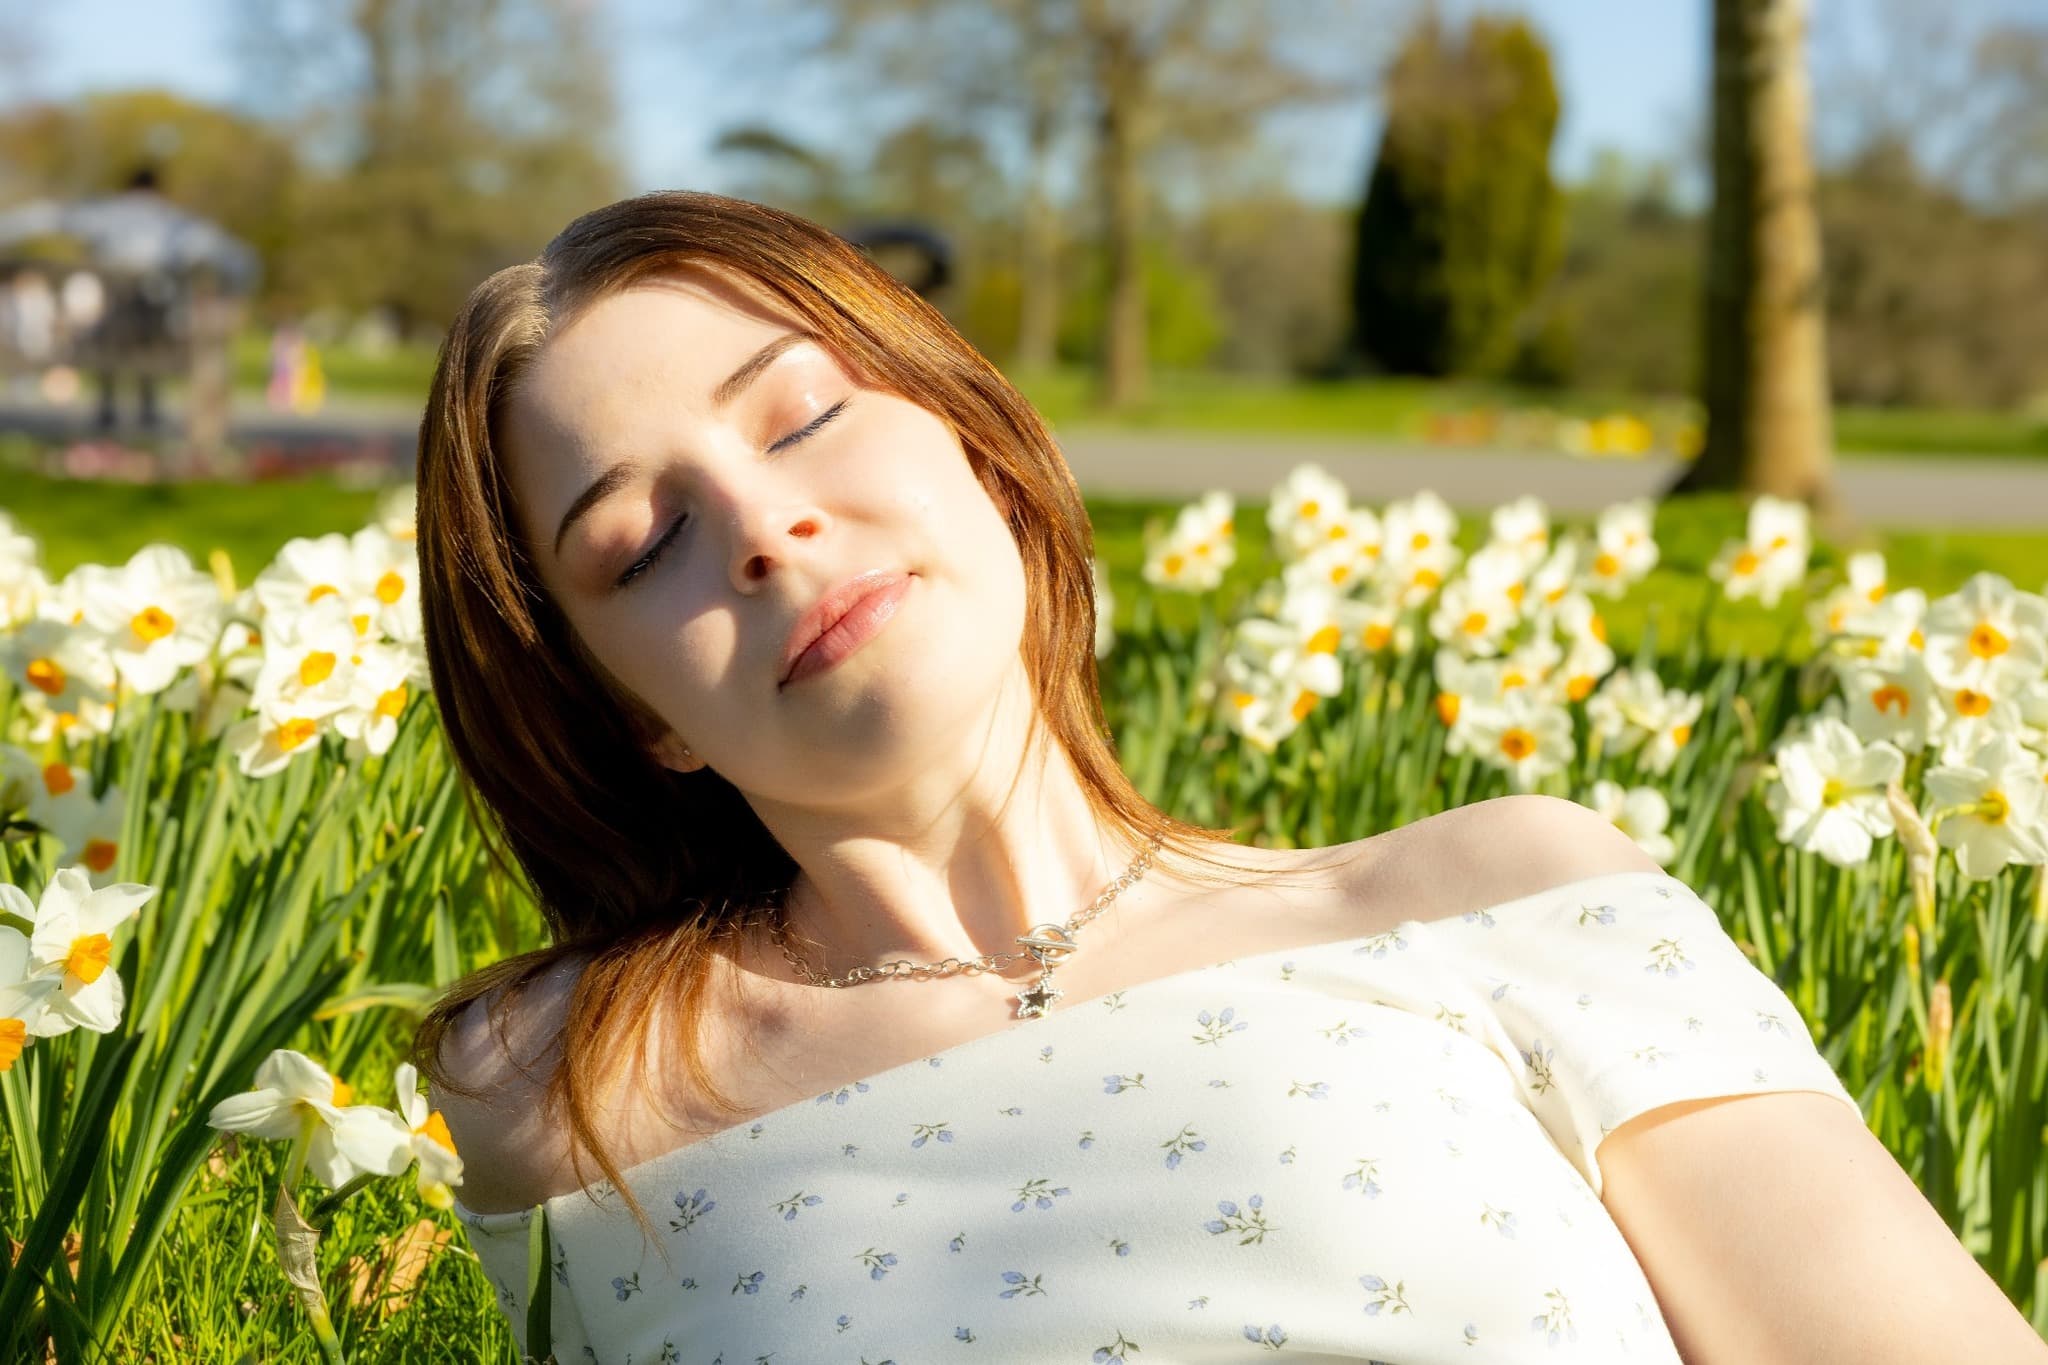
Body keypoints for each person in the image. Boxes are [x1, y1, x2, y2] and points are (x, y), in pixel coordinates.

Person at [413, 191, 2045, 1363]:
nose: (764, 529)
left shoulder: (1499, 895)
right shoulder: (564, 1092)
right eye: (642, 543)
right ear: (642, 717)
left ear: (976, 450)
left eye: (802, 417)